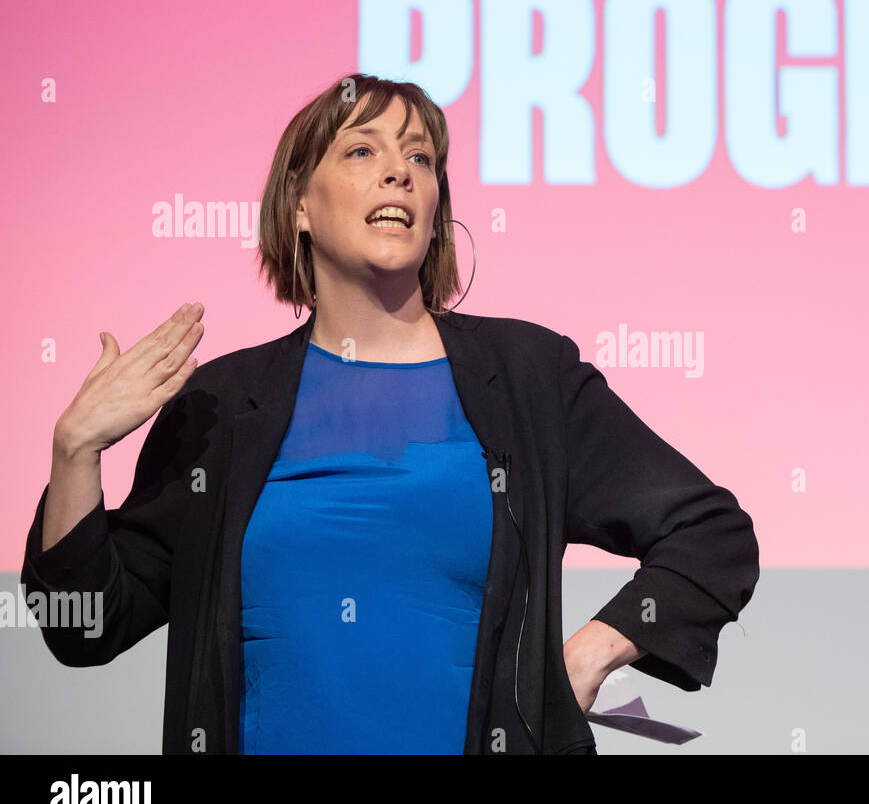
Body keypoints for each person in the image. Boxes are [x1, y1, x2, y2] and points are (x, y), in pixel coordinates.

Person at [24, 73, 760, 754]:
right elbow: (87, 623)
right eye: (361, 149)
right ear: (300, 205)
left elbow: (710, 535)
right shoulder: (223, 406)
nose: (400, 170)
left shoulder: (530, 378)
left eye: (421, 157)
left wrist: (584, 654)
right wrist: (74, 451)